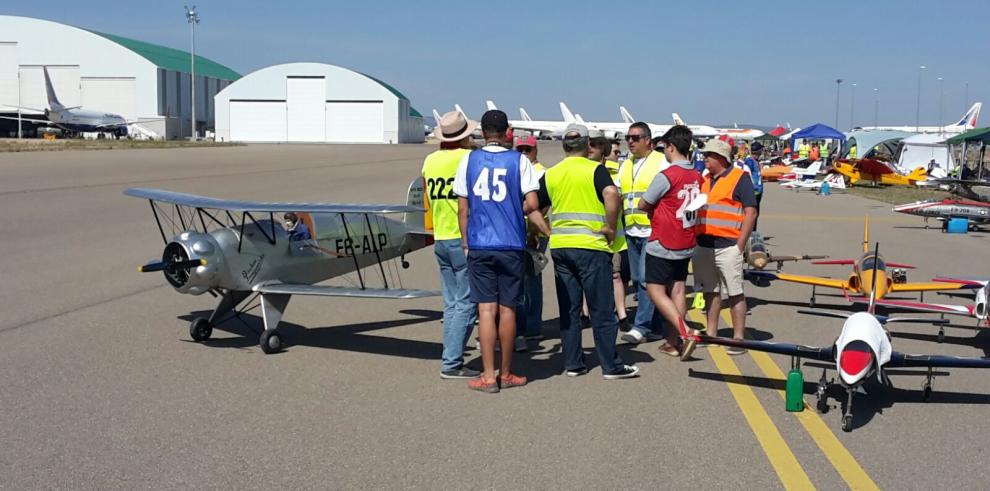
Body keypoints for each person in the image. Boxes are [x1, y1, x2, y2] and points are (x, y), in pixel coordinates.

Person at [454, 109, 549, 393]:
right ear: (507, 131)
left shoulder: (468, 160)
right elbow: (532, 203)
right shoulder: (519, 160)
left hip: (480, 241)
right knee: (508, 309)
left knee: (485, 310)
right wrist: (512, 211)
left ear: (482, 132)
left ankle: (487, 375)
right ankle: (506, 372)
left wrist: (465, 241)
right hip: (510, 242)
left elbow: (462, 207)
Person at [538, 124, 639, 379]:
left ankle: (573, 363)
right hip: (591, 246)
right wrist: (611, 226)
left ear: (564, 146)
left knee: (570, 309)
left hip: (561, 247)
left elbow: (531, 205)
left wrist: (544, 230)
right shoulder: (595, 170)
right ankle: (610, 365)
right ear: (586, 145)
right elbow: (611, 194)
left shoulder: (552, 173)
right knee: (601, 309)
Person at [422, 110, 480, 379]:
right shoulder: (468, 159)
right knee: (467, 303)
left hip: (441, 237)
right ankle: (452, 362)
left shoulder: (430, 161)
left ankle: (450, 355)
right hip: (463, 237)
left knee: (451, 303)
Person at [638, 125, 704, 360]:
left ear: (672, 147)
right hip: (686, 238)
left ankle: (685, 332)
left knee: (655, 290)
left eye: (664, 147)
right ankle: (672, 341)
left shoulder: (668, 175)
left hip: (664, 239)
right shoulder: (696, 175)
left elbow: (643, 203)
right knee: (677, 288)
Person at [693, 138, 758, 355]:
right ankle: (711, 332)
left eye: (708, 156)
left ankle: (738, 338)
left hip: (728, 245)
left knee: (735, 292)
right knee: (710, 291)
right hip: (704, 243)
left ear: (721, 158)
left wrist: (740, 245)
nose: (704, 159)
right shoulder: (705, 179)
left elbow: (751, 211)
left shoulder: (740, 179)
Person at [617, 122, 670, 344]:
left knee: (646, 280)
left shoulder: (660, 162)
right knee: (640, 278)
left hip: (652, 228)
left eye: (635, 137)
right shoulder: (626, 164)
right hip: (631, 229)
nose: (630, 141)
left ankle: (641, 326)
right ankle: (657, 326)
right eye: (628, 137)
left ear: (648, 140)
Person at [589, 131, 630, 329]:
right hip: (590, 232)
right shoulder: (584, 170)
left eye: (595, 146)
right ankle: (586, 312)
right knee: (589, 277)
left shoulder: (615, 171)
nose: (590, 150)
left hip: (613, 235)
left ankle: (621, 314)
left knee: (615, 275)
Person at [514, 134, 548, 351]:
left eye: (528, 149)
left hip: (534, 230)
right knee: (519, 280)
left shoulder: (542, 172)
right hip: (515, 230)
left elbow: (542, 205)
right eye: (520, 149)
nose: (524, 153)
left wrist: (533, 231)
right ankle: (521, 324)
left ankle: (532, 325)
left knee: (531, 279)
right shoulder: (514, 168)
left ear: (536, 151)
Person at [743, 143, 764, 230]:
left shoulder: (756, 161)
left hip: (758, 191)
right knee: (752, 213)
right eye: (761, 150)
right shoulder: (749, 161)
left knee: (756, 214)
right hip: (753, 191)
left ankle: (753, 231)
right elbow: (746, 174)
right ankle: (750, 232)